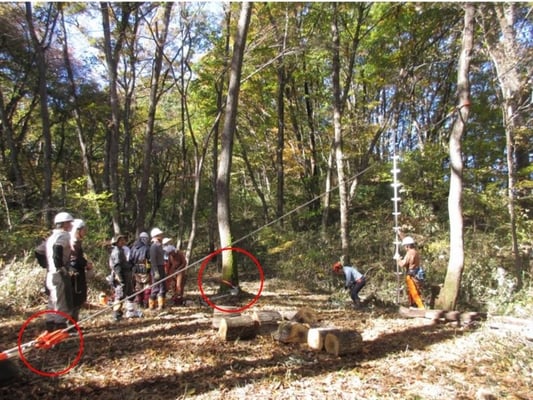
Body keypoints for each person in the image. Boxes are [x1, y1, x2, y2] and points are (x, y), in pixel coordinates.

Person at [45, 212, 75, 331]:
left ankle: (50, 324)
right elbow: (58, 248)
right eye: (70, 223)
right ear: (65, 224)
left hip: (50, 273)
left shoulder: (51, 237)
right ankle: (60, 327)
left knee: (53, 300)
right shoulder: (64, 235)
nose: (71, 225)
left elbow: (40, 252)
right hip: (58, 273)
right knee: (61, 301)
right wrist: (60, 266)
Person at [69, 219, 93, 322]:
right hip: (74, 274)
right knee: (74, 298)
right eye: (83, 230)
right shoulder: (72, 243)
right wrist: (85, 264)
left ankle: (74, 322)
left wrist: (86, 263)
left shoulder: (77, 242)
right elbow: (74, 260)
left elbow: (79, 258)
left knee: (78, 298)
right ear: (77, 230)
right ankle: (71, 323)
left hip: (79, 273)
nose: (85, 232)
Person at [109, 234, 133, 321]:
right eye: (121, 240)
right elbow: (117, 266)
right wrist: (120, 278)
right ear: (116, 242)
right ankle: (116, 315)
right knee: (120, 296)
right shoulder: (117, 252)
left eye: (123, 240)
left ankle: (121, 314)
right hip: (121, 276)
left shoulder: (121, 250)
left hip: (125, 275)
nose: (123, 241)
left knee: (125, 294)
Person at [395, 235, 425, 309]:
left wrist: (398, 259)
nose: (404, 248)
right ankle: (413, 306)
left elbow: (403, 264)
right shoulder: (415, 252)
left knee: (414, 292)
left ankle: (421, 307)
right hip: (416, 274)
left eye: (405, 246)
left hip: (412, 275)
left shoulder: (410, 253)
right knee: (412, 291)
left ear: (407, 246)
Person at [163, 240, 188, 306]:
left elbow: (184, 263)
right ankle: (175, 298)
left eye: (171, 253)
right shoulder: (170, 255)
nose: (171, 254)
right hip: (173, 272)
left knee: (179, 286)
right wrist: (167, 272)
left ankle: (179, 300)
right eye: (169, 253)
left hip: (180, 272)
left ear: (173, 251)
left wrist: (179, 269)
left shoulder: (180, 253)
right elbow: (169, 264)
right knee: (173, 285)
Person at [130, 232, 151, 309]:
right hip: (144, 267)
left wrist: (132, 268)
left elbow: (130, 259)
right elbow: (149, 260)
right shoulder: (146, 248)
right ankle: (145, 302)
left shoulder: (133, 247)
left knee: (138, 285)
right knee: (147, 285)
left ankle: (139, 302)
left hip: (136, 268)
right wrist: (149, 269)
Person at [149, 227, 166, 310]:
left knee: (163, 286)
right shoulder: (153, 246)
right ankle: (152, 305)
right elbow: (153, 260)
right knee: (155, 288)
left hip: (161, 267)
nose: (162, 236)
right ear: (156, 236)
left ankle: (161, 305)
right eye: (160, 235)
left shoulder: (160, 246)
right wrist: (156, 271)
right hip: (156, 268)